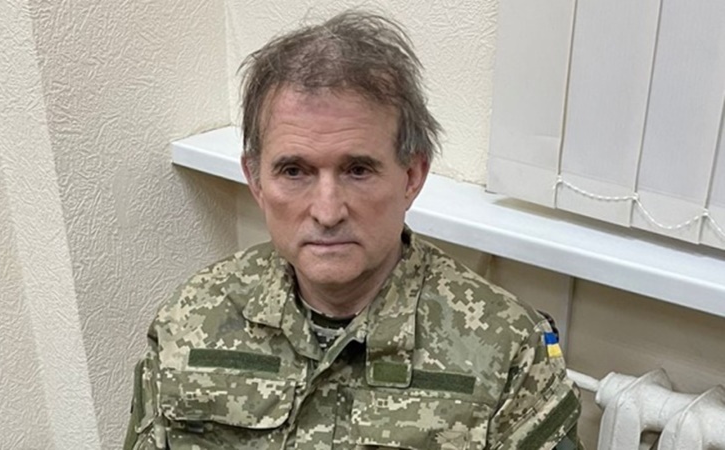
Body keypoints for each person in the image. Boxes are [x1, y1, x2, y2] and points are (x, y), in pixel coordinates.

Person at [124, 10, 582, 450]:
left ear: (412, 177)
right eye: (294, 171)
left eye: (358, 170)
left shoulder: (507, 350)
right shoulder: (191, 320)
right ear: (256, 181)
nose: (327, 212)